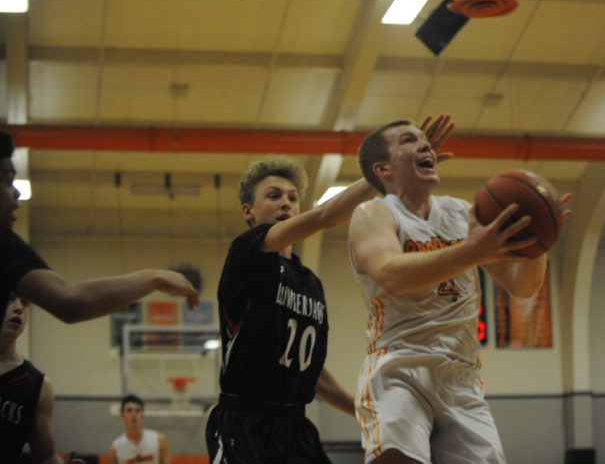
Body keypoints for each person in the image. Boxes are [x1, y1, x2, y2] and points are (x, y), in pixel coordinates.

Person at [205, 117, 454, 464]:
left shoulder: (310, 283)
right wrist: (391, 172)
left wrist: (367, 413)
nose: (285, 204)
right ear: (249, 211)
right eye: (273, 196)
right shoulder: (246, 253)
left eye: (292, 198)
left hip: (295, 425)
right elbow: (325, 217)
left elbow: (315, 377)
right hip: (243, 423)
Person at [348, 116, 571, 463]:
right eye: (408, 141)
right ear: (383, 169)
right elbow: (390, 275)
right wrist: (471, 252)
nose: (425, 145)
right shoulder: (373, 214)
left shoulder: (463, 212)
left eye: (426, 140)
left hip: (461, 379)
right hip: (400, 368)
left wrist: (537, 242)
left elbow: (522, 286)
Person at [0, 130, 199, 328]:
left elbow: (71, 302)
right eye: (8, 182)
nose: (16, 193)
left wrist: (154, 278)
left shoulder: (7, 245)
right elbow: (73, 303)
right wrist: (154, 278)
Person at [0, 292, 85, 463]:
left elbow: (46, 456)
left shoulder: (36, 384)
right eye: (10, 299)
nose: (18, 308)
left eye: (25, 302)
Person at [108, 394, 170, 464]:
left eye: (137, 410)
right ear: (122, 416)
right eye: (129, 410)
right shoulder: (115, 449)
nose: (133, 414)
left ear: (143, 416)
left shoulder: (159, 440)